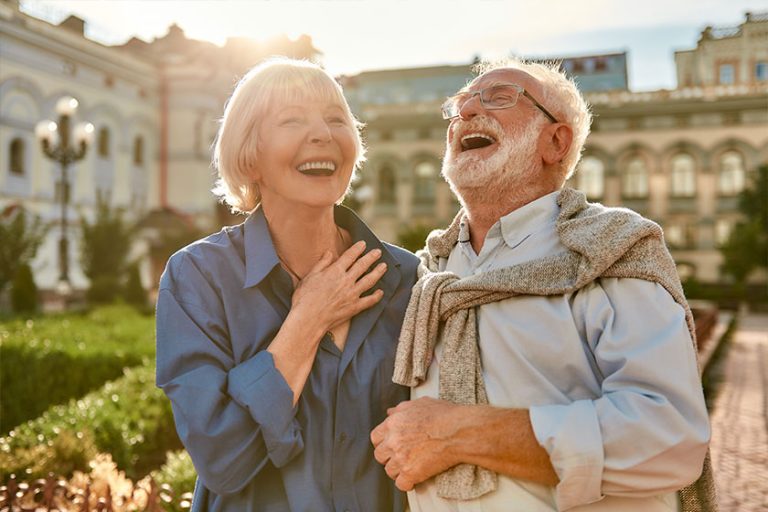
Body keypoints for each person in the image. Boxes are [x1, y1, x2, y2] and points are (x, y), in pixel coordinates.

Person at [371, 59, 715, 512]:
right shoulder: (426, 274)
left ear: (556, 141)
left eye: (499, 97)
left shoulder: (608, 249)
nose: (468, 111)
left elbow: (668, 438)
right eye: (458, 106)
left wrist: (457, 434)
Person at [156, 57, 418, 512]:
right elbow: (222, 460)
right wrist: (307, 320)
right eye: (292, 119)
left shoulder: (407, 278)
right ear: (249, 152)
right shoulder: (197, 277)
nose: (322, 134)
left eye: (336, 119)